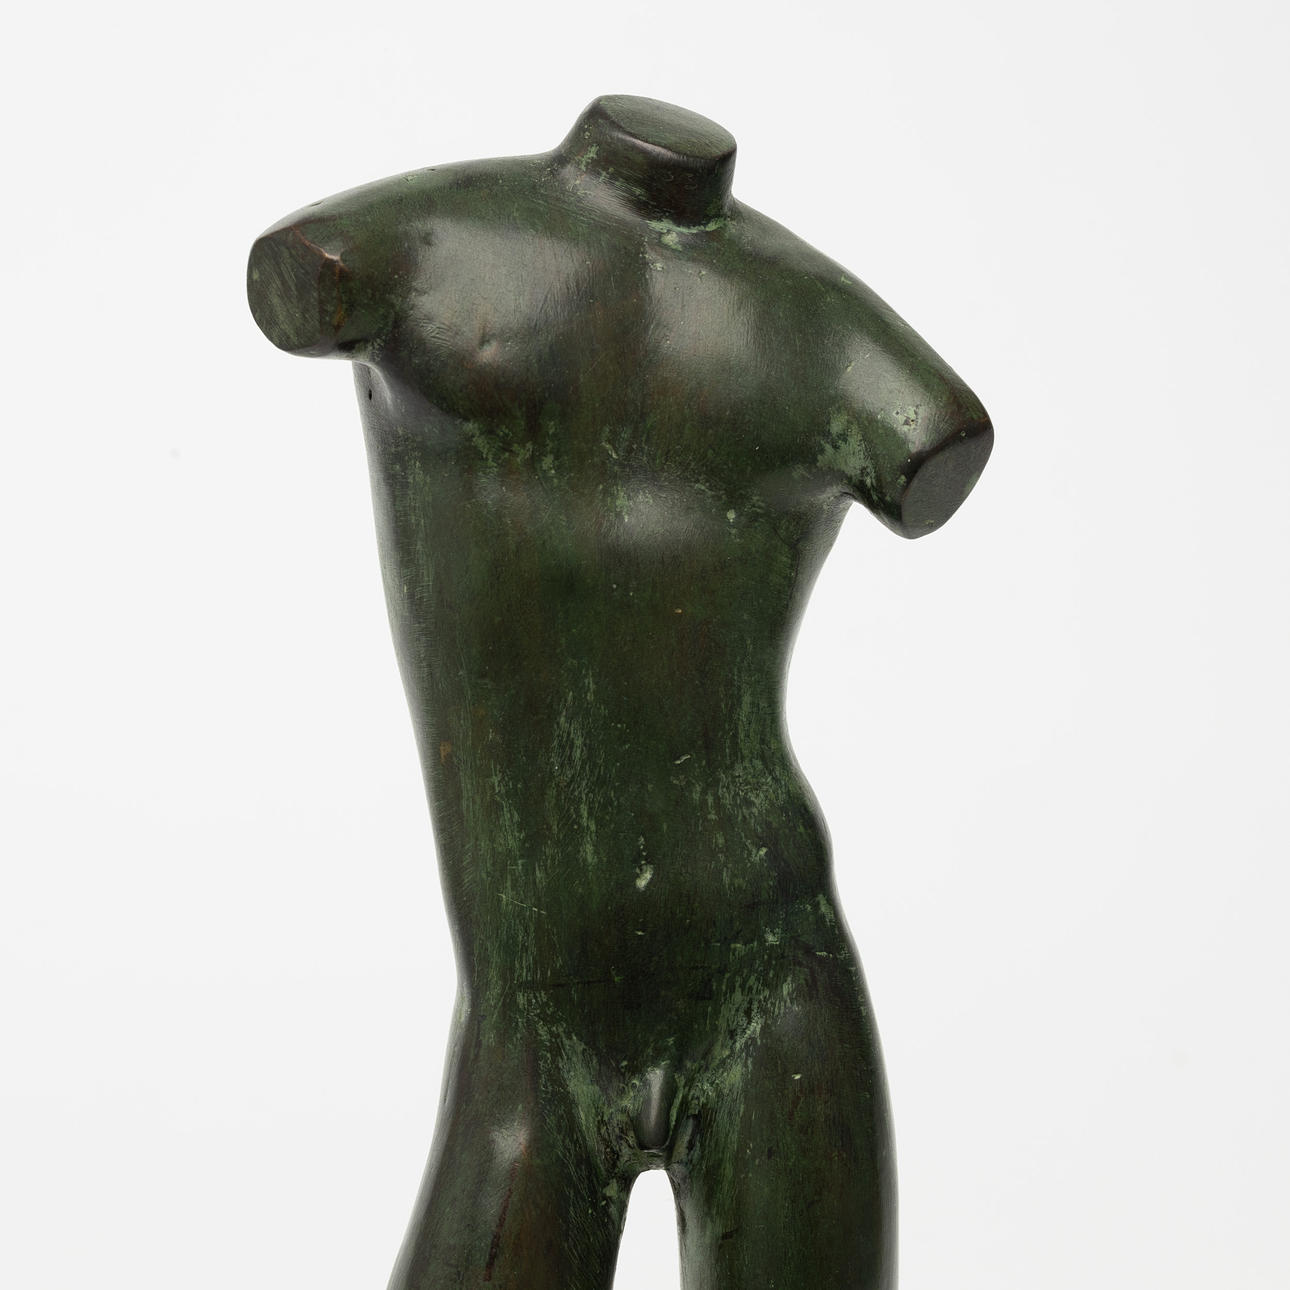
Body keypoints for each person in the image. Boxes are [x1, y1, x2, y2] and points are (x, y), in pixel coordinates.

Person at [248, 94, 992, 1290]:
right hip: (535, 1015)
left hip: (771, 976)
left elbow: (933, 434)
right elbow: (300, 274)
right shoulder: (413, 255)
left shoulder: (827, 335)